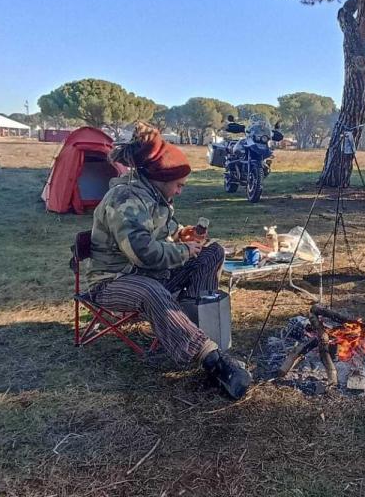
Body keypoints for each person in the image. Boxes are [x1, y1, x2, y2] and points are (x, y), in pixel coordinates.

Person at [86, 123, 251, 399]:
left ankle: (194, 325)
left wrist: (182, 235)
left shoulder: (155, 197)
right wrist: (184, 251)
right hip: (113, 280)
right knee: (151, 291)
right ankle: (211, 358)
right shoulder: (125, 199)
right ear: (162, 179)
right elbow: (143, 253)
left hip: (149, 274)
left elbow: (165, 233)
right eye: (179, 185)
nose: (180, 191)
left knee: (212, 252)